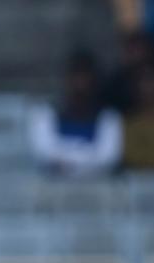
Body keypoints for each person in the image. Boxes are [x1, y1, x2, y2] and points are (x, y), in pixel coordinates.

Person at [29, 50, 123, 178]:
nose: (80, 85)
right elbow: (44, 153)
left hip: (98, 190)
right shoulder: (45, 114)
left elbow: (107, 158)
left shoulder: (109, 117)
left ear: (95, 81)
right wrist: (87, 155)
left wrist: (66, 157)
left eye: (85, 78)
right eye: (75, 77)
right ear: (66, 80)